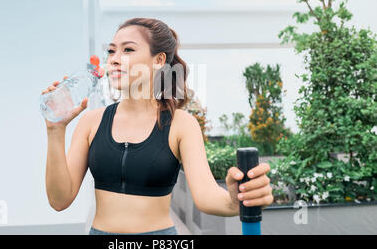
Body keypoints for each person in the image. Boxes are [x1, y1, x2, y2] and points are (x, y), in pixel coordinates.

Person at [42, 18, 273, 235]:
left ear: (159, 60)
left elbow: (206, 196)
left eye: (128, 50)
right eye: (111, 51)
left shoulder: (181, 125)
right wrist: (55, 131)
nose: (113, 58)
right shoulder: (91, 122)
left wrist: (235, 200)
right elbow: (59, 200)